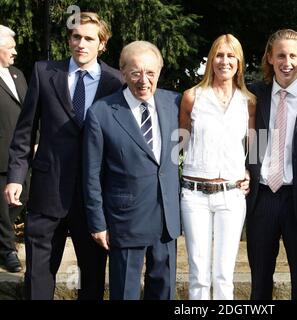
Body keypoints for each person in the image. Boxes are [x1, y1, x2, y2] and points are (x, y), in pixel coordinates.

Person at [3, 12, 123, 299]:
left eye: (89, 38)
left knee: (92, 279)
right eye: (76, 37)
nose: (81, 43)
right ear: (69, 40)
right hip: (47, 192)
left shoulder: (115, 82)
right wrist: (16, 177)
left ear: (102, 44)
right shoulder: (45, 73)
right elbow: (24, 133)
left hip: (93, 199)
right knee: (38, 277)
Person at [83, 41, 181, 300]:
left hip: (166, 221)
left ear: (159, 72)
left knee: (165, 292)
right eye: (136, 72)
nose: (144, 80)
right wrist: (97, 222)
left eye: (150, 73)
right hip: (124, 221)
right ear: (122, 72)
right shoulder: (101, 112)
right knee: (125, 293)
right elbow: (91, 174)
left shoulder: (175, 102)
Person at [245, 29, 297, 300]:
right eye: (280, 55)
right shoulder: (255, 93)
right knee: (259, 281)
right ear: (269, 58)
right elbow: (254, 139)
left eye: (293, 55)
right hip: (263, 198)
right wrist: (249, 168)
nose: (287, 62)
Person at [179, 34, 255, 300]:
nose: (225, 61)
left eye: (231, 55)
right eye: (219, 55)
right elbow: (178, 145)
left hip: (231, 196)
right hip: (195, 195)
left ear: (239, 62)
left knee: (224, 275)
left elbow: (256, 147)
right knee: (198, 274)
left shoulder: (249, 101)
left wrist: (249, 172)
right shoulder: (192, 97)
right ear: (211, 60)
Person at [0, 25, 28, 273]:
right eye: (10, 47)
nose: (15, 51)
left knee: (22, 198)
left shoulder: (18, 74)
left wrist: (37, 139)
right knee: (2, 204)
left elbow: (30, 112)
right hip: (0, 154)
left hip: (22, 154)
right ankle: (7, 250)